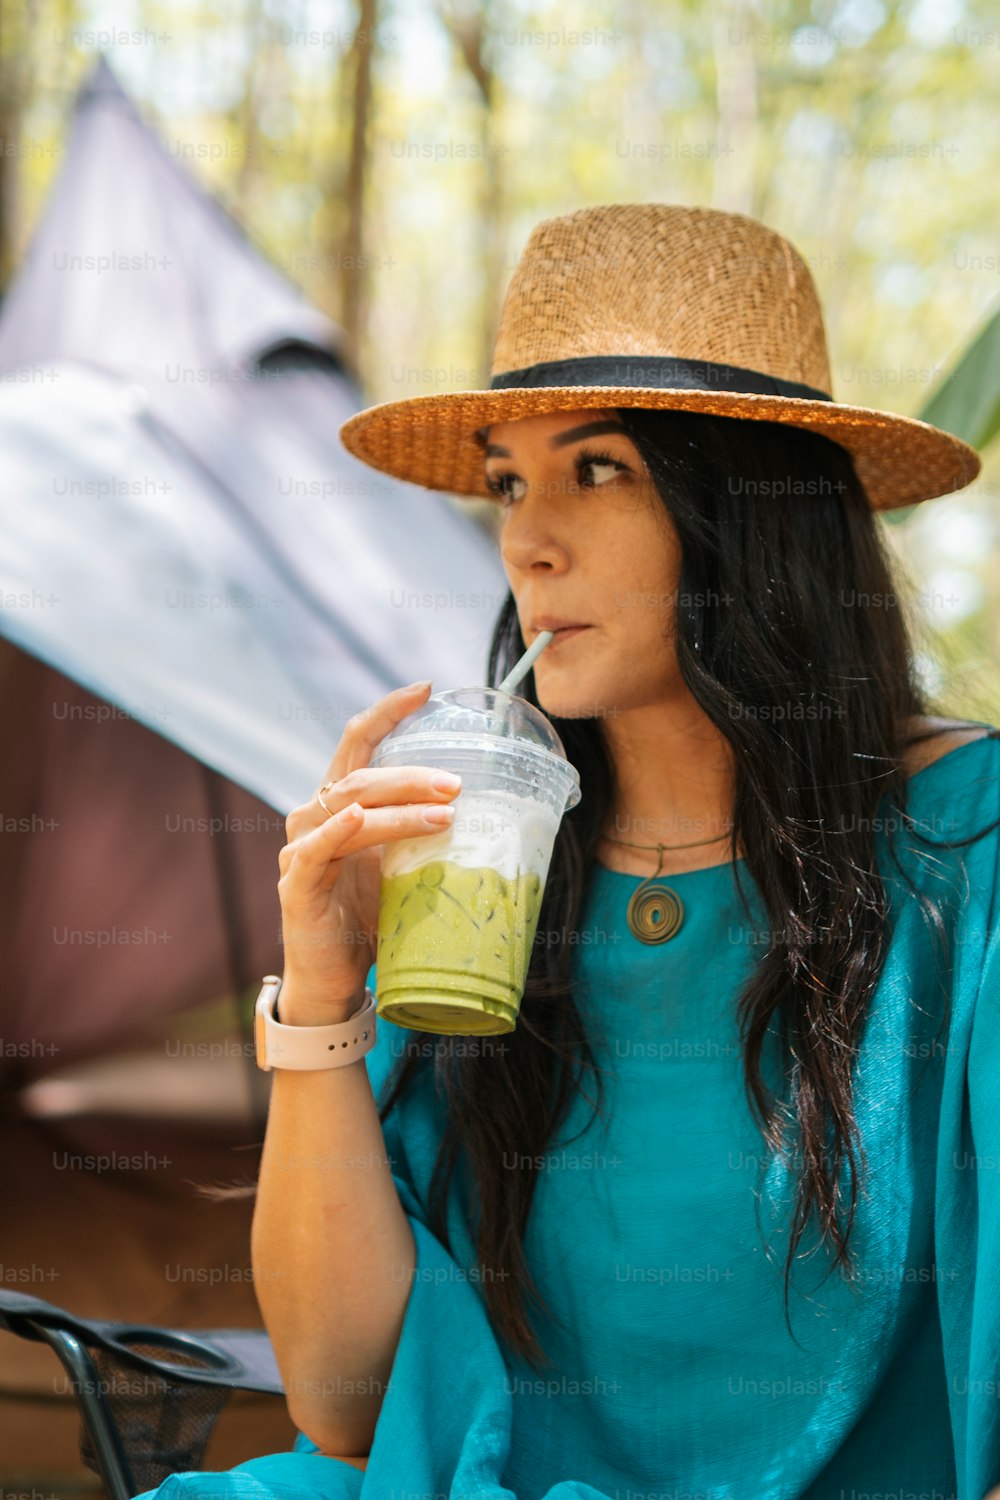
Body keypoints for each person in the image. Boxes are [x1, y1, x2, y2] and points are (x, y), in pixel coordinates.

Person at [138, 204, 1000, 1499]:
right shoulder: (479, 868)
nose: (528, 540)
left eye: (597, 469)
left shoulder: (966, 845)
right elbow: (343, 1402)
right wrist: (321, 994)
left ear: (755, 509)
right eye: (506, 480)